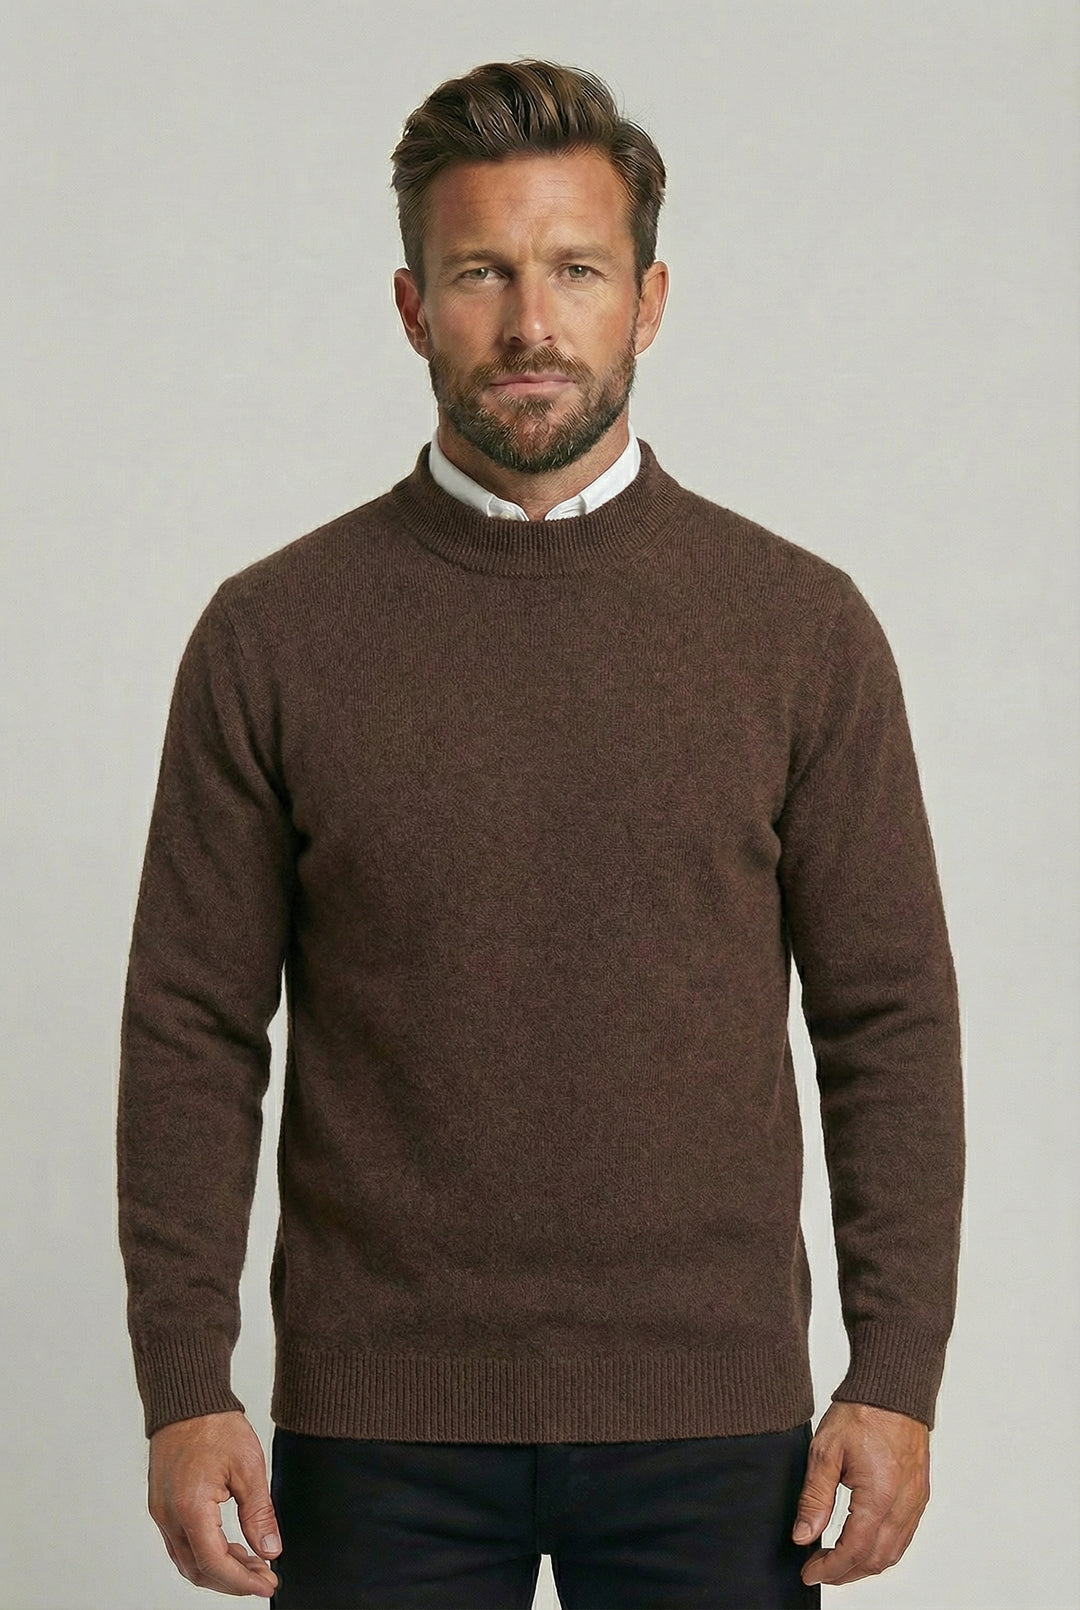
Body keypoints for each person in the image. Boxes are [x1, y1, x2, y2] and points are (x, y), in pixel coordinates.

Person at [117, 59, 965, 1609]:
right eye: (480, 273)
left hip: (717, 1424)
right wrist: (185, 1381)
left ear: (649, 300)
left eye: (575, 269)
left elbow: (888, 1017)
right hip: (377, 1429)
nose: (529, 323)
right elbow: (191, 1025)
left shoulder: (799, 629)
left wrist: (896, 1371)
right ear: (409, 306)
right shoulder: (273, 635)